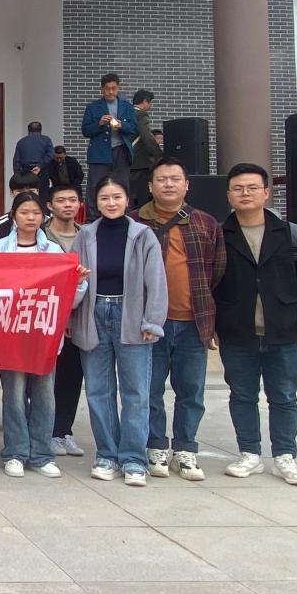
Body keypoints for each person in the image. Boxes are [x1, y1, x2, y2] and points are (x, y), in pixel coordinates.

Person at [215, 163, 297, 487]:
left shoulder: (291, 235)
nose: (245, 193)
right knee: (242, 395)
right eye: (238, 188)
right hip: (237, 332)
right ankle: (249, 453)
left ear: (266, 192)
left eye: (252, 188)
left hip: (284, 332)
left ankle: (284, 456)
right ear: (228, 195)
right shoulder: (219, 235)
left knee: (284, 396)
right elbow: (210, 284)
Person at [131, 157, 225, 481]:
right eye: (162, 179)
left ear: (187, 185)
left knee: (191, 391)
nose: (168, 184)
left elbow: (218, 272)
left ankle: (185, 449)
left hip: (193, 322)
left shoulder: (206, 223)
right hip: (149, 324)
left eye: (175, 179)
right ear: (150, 186)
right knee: (149, 390)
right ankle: (155, 445)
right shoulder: (135, 223)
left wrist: (212, 320)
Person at [70, 176, 166, 487]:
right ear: (95, 202)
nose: (111, 203)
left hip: (132, 314)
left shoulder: (143, 235)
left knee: (136, 391)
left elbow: (156, 281)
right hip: (93, 312)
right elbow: (72, 279)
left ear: (127, 200)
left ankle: (134, 458)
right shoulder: (85, 235)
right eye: (104, 198)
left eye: (116, 197)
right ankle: (107, 455)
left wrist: (153, 320)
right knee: (98, 390)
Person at [0, 192, 88, 479]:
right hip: (10, 337)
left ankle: (41, 454)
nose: (30, 218)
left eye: (35, 213)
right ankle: (15, 453)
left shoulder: (54, 252)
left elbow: (69, 301)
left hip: (43, 338)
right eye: (24, 212)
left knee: (45, 397)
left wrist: (77, 282)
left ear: (43, 216)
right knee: (14, 397)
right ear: (13, 216)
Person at [44, 181, 86, 458]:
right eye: (61, 200)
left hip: (79, 318)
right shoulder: (41, 237)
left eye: (72, 200)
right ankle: (45, 430)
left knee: (72, 375)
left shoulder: (88, 236)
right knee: (44, 378)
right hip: (46, 318)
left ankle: (63, 431)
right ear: (50, 205)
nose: (67, 205)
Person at [81, 73, 137, 206]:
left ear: (118, 88)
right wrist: (99, 123)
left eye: (114, 88)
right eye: (107, 89)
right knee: (95, 186)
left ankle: (123, 213)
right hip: (99, 153)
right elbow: (85, 131)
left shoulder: (127, 106)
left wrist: (122, 125)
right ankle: (93, 217)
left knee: (122, 185)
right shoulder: (92, 107)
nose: (111, 92)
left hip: (121, 151)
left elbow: (134, 128)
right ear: (102, 89)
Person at [129, 90, 164, 208]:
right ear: (144, 101)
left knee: (130, 193)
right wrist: (159, 154)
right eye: (150, 102)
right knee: (141, 196)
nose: (150, 105)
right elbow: (146, 136)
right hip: (140, 162)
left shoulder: (127, 113)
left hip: (127, 160)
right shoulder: (141, 114)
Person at [0, 172, 42, 242]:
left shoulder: (47, 222)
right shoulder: (0, 223)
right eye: (20, 191)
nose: (26, 195)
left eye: (31, 191)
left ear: (38, 192)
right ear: (11, 193)